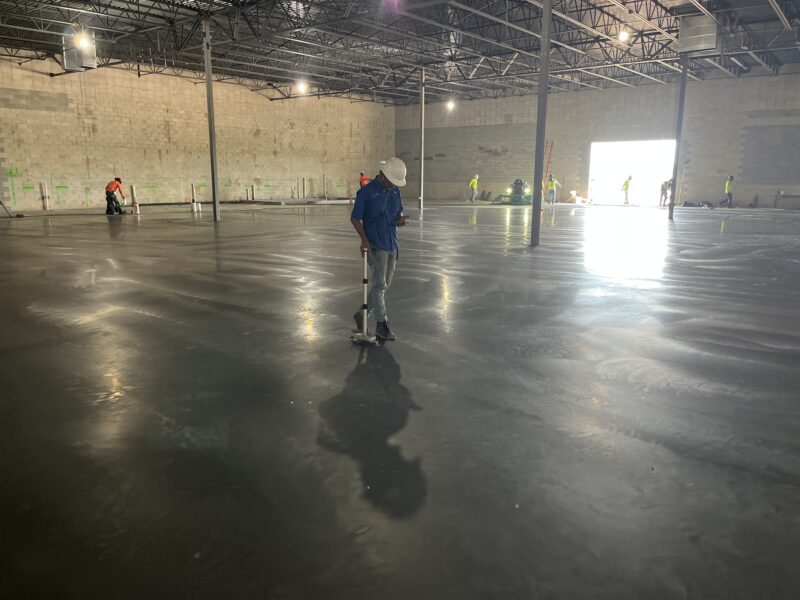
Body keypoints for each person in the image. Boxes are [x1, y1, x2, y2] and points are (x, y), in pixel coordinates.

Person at [351, 157, 407, 341]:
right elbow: (355, 218)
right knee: (379, 285)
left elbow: (398, 211)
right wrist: (364, 240)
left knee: (384, 284)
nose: (394, 185)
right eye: (392, 182)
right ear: (383, 176)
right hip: (376, 246)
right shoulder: (366, 193)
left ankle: (362, 314)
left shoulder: (395, 191)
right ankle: (382, 325)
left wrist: (400, 219)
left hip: (392, 244)